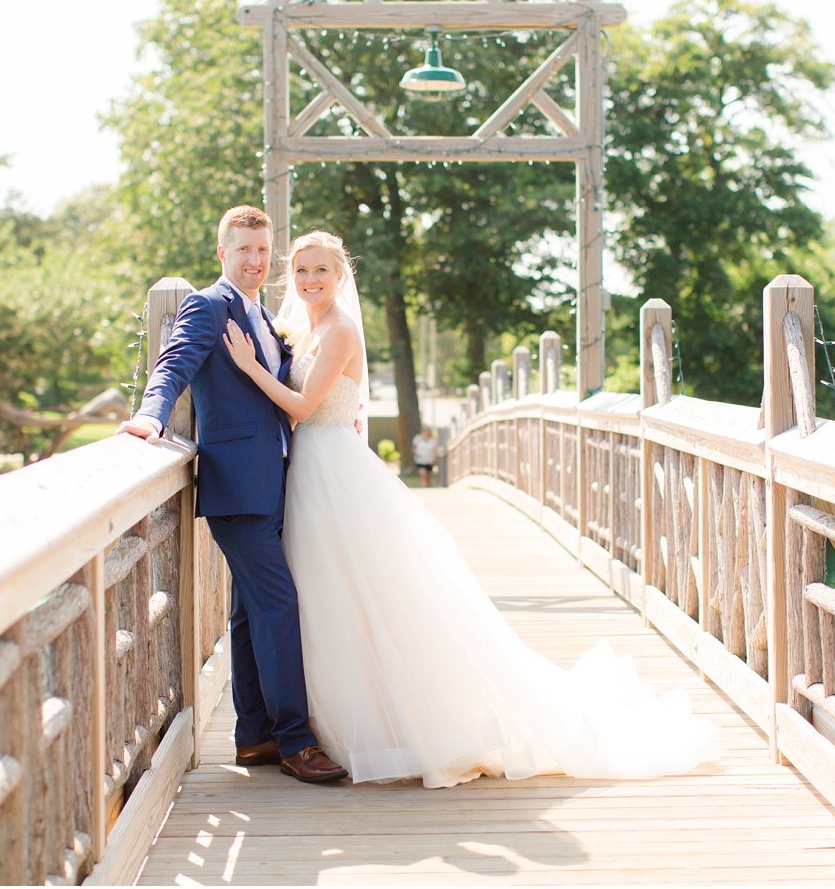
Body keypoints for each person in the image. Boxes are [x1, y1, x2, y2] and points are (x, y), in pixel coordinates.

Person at [222, 230, 718, 788]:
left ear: (341, 277)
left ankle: (386, 727)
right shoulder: (302, 329)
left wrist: (250, 368)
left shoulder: (339, 330)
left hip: (332, 470)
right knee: (320, 596)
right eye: (303, 270)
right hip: (306, 474)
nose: (311, 280)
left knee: (358, 593)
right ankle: (314, 722)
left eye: (323, 271)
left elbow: (303, 405)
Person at [116, 206, 347, 784]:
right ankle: (296, 740)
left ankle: (255, 736)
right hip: (236, 487)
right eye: (243, 249)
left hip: (275, 480)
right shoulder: (207, 305)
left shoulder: (265, 317)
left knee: (248, 614)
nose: (255, 259)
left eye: (264, 250)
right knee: (279, 604)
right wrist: (151, 415)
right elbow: (174, 364)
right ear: (223, 253)